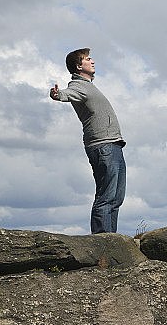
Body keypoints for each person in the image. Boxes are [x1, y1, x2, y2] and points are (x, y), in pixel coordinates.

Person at [50, 48, 126, 234]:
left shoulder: (89, 86)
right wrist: (57, 95)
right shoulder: (79, 86)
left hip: (113, 144)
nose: (92, 61)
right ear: (78, 66)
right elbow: (67, 94)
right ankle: (102, 242)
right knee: (106, 197)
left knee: (116, 198)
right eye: (88, 59)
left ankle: (112, 241)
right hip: (102, 146)